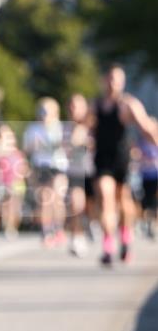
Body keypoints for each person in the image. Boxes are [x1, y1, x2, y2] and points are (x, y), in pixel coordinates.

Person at [91, 64, 158, 265]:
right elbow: (83, 125)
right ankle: (108, 245)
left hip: (123, 159)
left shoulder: (128, 104)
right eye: (110, 78)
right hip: (102, 158)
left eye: (117, 79)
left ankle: (126, 236)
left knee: (124, 202)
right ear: (105, 80)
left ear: (122, 82)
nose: (113, 83)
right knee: (105, 196)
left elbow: (145, 127)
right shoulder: (95, 105)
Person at [23, 97, 68, 247]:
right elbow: (27, 150)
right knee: (44, 199)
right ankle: (46, 230)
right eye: (41, 111)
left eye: (47, 111)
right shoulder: (32, 129)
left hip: (58, 166)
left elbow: (69, 148)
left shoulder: (61, 128)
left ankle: (59, 228)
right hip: (40, 166)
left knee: (57, 197)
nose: (44, 115)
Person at [62, 93, 95, 257]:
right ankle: (77, 237)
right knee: (76, 204)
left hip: (94, 171)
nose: (74, 109)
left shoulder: (94, 126)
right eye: (71, 106)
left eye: (77, 106)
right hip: (75, 172)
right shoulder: (64, 128)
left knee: (91, 208)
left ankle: (90, 226)